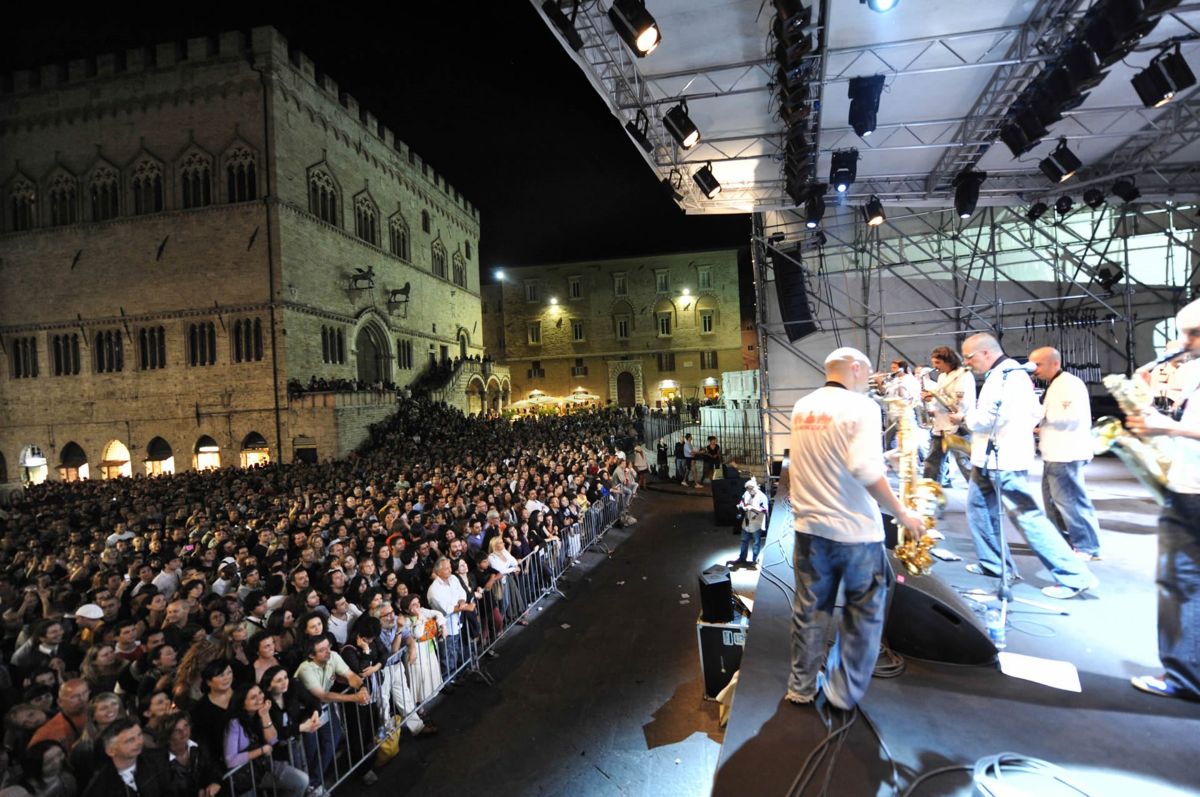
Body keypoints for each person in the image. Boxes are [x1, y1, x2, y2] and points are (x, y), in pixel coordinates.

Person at [786, 347, 924, 710]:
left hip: (809, 528)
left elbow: (823, 458)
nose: (872, 380)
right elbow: (863, 471)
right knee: (863, 615)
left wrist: (882, 459)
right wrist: (902, 513)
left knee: (810, 612)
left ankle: (801, 686)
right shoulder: (862, 407)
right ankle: (841, 692)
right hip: (855, 533)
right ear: (856, 368)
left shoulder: (803, 407)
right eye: (869, 372)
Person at [951, 333, 1097, 599]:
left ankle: (1074, 576)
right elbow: (1034, 412)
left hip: (1003, 459)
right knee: (978, 509)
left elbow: (991, 418)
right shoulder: (1007, 375)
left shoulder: (1008, 375)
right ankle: (995, 564)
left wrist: (965, 417)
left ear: (985, 353)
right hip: (988, 456)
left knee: (1027, 517)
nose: (967, 363)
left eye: (969, 357)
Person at [1124, 297, 1200, 700]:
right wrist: (1148, 399)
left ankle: (1185, 677)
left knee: (1180, 581)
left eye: (1194, 334)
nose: (1185, 342)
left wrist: (1168, 430)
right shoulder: (1194, 371)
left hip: (1193, 494)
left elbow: (1185, 429)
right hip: (1186, 483)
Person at [1029, 346, 1102, 560]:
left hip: (1066, 454)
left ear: (1055, 363)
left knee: (1070, 502)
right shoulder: (1056, 384)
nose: (1034, 369)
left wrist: (1036, 411)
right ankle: (1065, 543)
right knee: (1053, 502)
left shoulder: (1069, 384)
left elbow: (1068, 418)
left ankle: (1086, 547)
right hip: (1054, 452)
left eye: (1038, 364)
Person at [921, 346, 975, 486]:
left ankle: (980, 493)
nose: (935, 366)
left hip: (957, 426)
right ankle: (929, 491)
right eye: (933, 363)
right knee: (932, 462)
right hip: (940, 425)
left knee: (964, 463)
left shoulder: (963, 375)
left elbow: (959, 404)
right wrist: (931, 400)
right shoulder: (942, 376)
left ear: (948, 361)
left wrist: (935, 396)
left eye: (938, 363)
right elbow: (941, 397)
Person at [80, 718, 173, 797]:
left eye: (139, 735)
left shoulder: (159, 763)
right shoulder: (100, 786)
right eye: (130, 740)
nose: (139, 742)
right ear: (111, 751)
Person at [730, 477, 769, 569]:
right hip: (748, 519)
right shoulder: (746, 493)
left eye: (751, 489)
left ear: (755, 487)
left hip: (757, 520)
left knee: (756, 541)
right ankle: (742, 558)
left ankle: (755, 560)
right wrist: (741, 506)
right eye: (748, 489)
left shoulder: (762, 496)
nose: (749, 491)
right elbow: (743, 501)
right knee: (744, 539)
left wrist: (752, 508)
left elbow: (765, 510)